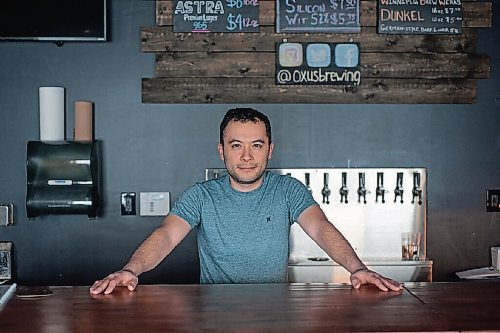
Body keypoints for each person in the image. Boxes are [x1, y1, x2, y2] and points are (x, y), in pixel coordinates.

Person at [90, 108, 403, 295]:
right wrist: (131, 270)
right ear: (221, 150)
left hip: (276, 314)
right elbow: (166, 235)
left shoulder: (288, 190)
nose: (246, 156)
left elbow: (320, 228)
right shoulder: (201, 195)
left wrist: (357, 268)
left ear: (270, 149)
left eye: (256, 145)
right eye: (236, 145)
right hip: (213, 315)